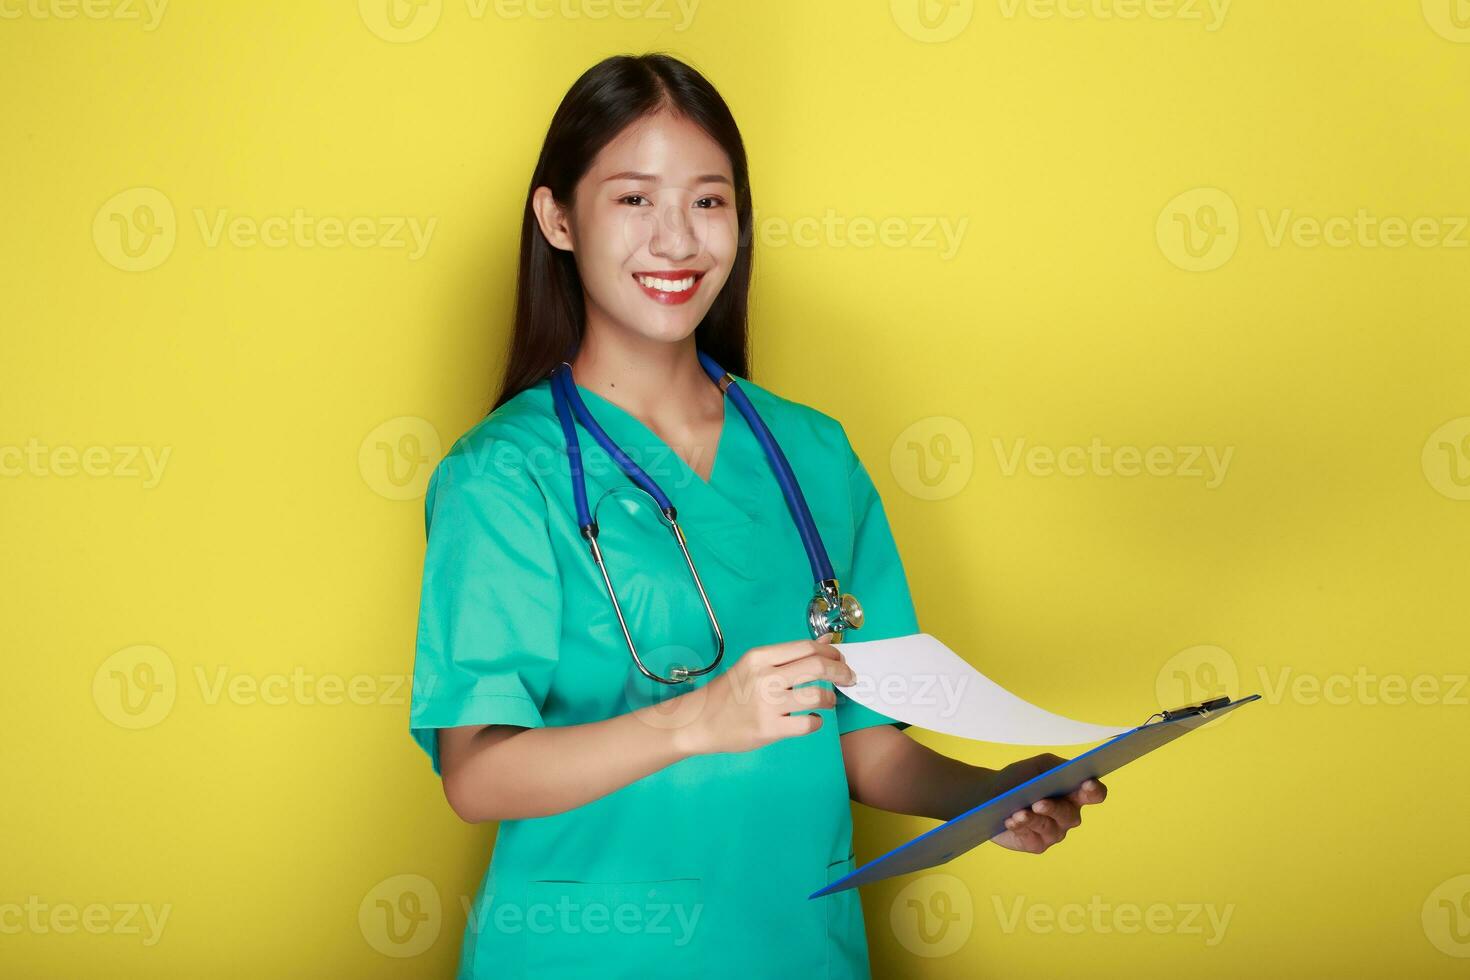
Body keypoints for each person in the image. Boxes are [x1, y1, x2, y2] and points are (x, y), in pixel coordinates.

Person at [408, 52, 1107, 979]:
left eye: (708, 201)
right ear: (557, 218)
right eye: (631, 200)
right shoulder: (504, 475)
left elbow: (864, 748)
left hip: (794, 953)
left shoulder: (814, 454)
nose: (677, 241)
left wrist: (990, 797)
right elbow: (478, 774)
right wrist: (696, 721)